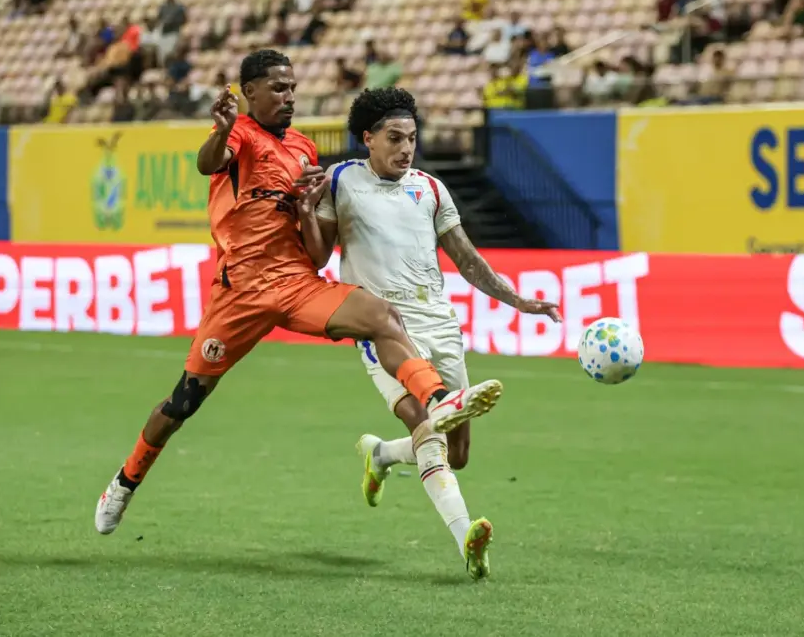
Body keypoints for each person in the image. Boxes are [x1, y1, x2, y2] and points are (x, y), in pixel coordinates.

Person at [94, 51, 504, 541]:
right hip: (240, 291)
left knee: (380, 315)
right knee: (184, 402)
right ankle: (124, 482)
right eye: (278, 88)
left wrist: (308, 208)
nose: (289, 96)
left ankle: (438, 399)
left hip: (294, 281)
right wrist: (222, 129)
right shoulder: (239, 136)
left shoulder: (305, 150)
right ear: (250, 92)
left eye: (292, 87)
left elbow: (315, 256)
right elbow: (208, 164)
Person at [307, 87, 561, 580]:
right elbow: (317, 258)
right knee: (427, 427)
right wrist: (305, 213)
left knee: (457, 452)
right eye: (395, 138)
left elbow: (467, 258)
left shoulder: (430, 188)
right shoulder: (340, 181)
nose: (406, 148)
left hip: (440, 323)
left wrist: (519, 300)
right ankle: (466, 535)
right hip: (381, 325)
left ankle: (380, 454)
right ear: (368, 139)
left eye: (412, 138)